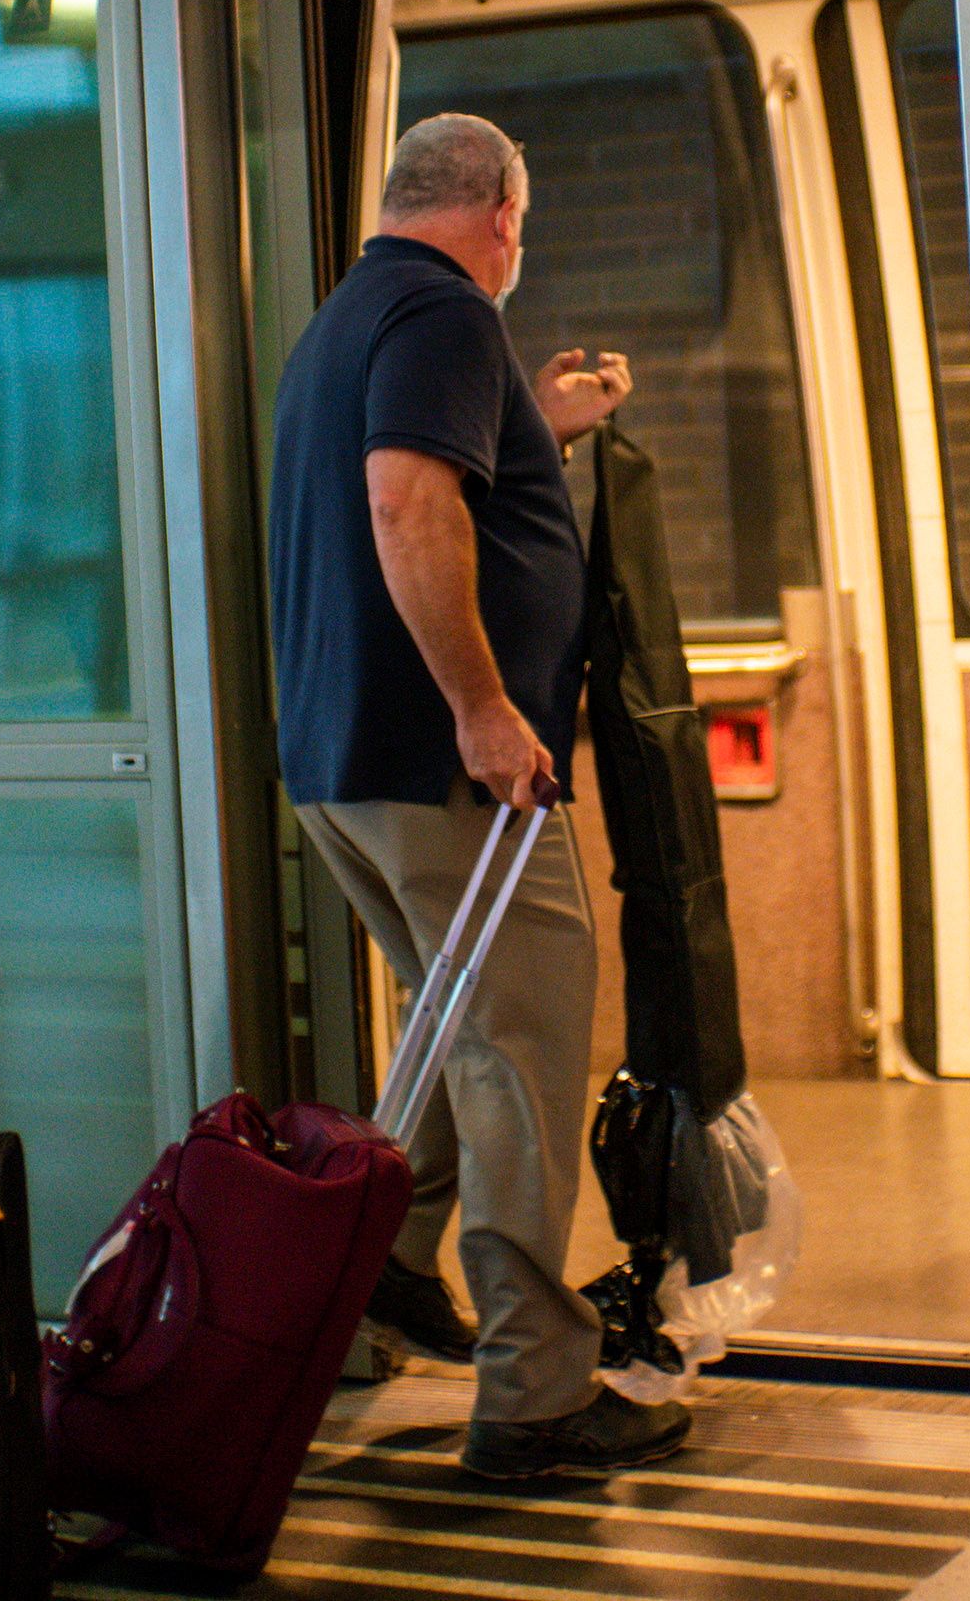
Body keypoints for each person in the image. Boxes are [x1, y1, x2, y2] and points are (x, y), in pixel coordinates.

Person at [266, 112, 673, 1481]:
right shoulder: (445, 313)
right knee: (523, 1056)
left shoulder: (349, 317)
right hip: (445, 769)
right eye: (522, 224)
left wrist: (533, 421)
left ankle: (384, 1255)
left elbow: (417, 476)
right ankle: (536, 1393)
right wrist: (488, 712)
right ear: (501, 207)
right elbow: (405, 504)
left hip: (345, 762)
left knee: (452, 1026)